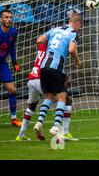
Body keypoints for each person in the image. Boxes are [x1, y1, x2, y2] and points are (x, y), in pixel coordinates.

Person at [33, 13, 81, 141]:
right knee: (62, 97)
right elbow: (71, 50)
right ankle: (55, 127)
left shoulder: (54, 29)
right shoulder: (73, 33)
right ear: (77, 23)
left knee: (49, 95)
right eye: (79, 26)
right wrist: (77, 60)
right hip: (56, 68)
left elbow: (39, 40)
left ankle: (39, 123)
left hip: (43, 68)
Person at [16, 43, 77, 141]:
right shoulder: (52, 49)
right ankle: (63, 132)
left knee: (32, 106)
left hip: (32, 78)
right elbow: (53, 64)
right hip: (42, 78)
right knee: (65, 99)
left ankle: (21, 135)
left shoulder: (42, 46)